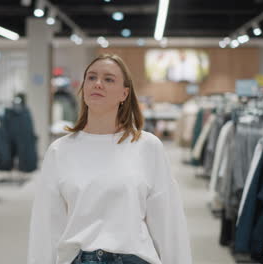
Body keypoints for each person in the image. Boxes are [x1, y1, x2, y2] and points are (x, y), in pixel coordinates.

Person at [27, 54, 192, 264]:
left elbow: (169, 223)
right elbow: (45, 227)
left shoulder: (147, 147)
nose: (97, 84)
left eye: (108, 79)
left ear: (124, 93)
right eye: (91, 77)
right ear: (84, 88)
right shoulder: (60, 151)